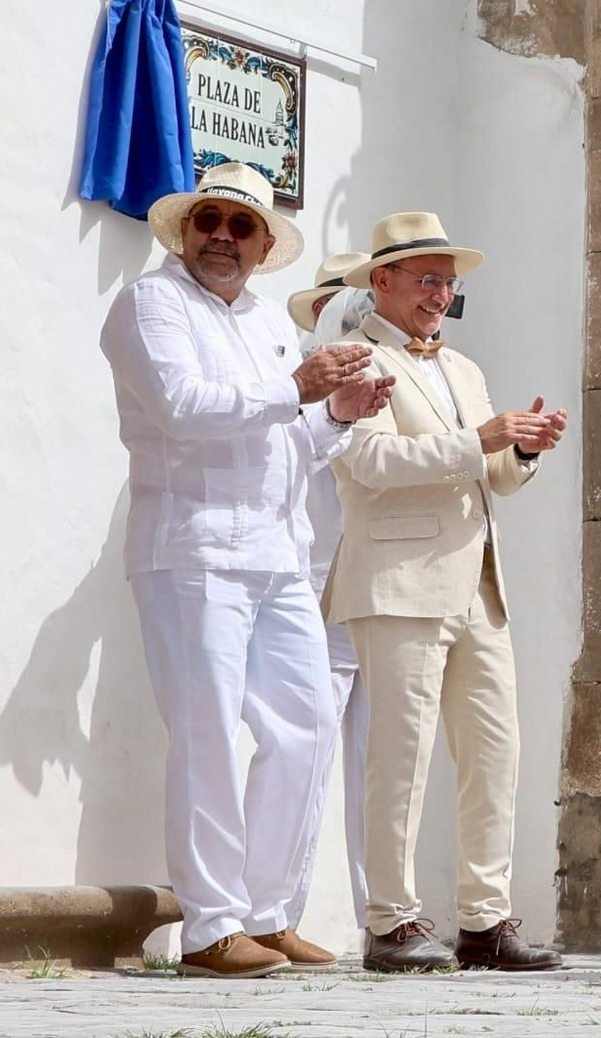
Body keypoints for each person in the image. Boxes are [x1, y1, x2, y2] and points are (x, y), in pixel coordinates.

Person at [100, 163, 391, 978]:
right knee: (206, 731)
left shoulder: (265, 320)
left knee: (304, 725)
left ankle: (266, 912)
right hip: (191, 551)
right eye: (210, 222)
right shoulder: (149, 304)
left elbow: (284, 442)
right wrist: (296, 384)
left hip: (277, 552)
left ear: (264, 247)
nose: (222, 238)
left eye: (241, 227)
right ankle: (210, 925)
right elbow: (182, 410)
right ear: (186, 230)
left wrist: (335, 413)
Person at [324, 212, 566, 972]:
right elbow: (369, 462)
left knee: (497, 753)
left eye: (447, 279)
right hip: (398, 582)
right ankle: (390, 920)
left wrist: (522, 449)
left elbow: (494, 477)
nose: (439, 292)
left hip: (478, 585)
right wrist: (482, 441)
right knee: (400, 759)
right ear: (381, 281)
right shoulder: (354, 359)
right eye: (425, 277)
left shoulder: (462, 369)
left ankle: (485, 920)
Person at [284, 252, 372, 937]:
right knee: (302, 759)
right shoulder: (296, 385)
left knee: (385, 768)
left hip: (379, 593)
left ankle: (386, 919)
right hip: (312, 596)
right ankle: (279, 916)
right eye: (347, 307)